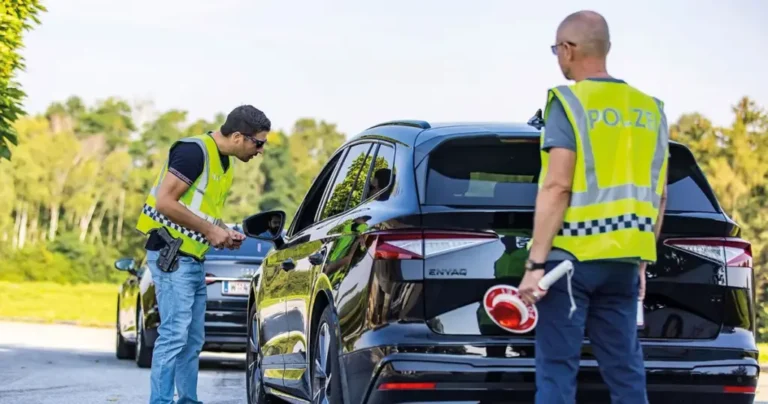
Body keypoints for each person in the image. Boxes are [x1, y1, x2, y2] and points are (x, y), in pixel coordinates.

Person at [517, 10, 669, 404]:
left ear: (568, 49)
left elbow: (557, 186)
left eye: (556, 50)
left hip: (569, 262)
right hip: (624, 263)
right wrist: (640, 263)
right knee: (626, 372)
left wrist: (535, 265)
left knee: (557, 373)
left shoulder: (569, 102)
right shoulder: (651, 109)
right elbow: (659, 194)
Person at [134, 105, 270, 404]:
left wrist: (223, 231)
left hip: (192, 258)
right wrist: (210, 231)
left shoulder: (224, 162)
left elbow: (199, 210)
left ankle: (188, 400)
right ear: (238, 136)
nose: (261, 151)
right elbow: (165, 202)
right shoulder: (194, 151)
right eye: (259, 143)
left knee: (192, 340)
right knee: (174, 335)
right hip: (171, 255)